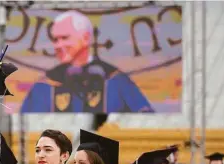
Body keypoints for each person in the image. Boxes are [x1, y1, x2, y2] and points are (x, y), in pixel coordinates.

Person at [20, 10, 154, 113]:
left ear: (85, 38)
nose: (58, 45)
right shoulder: (45, 85)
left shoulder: (115, 81)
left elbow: (146, 122)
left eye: (65, 38)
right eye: (55, 39)